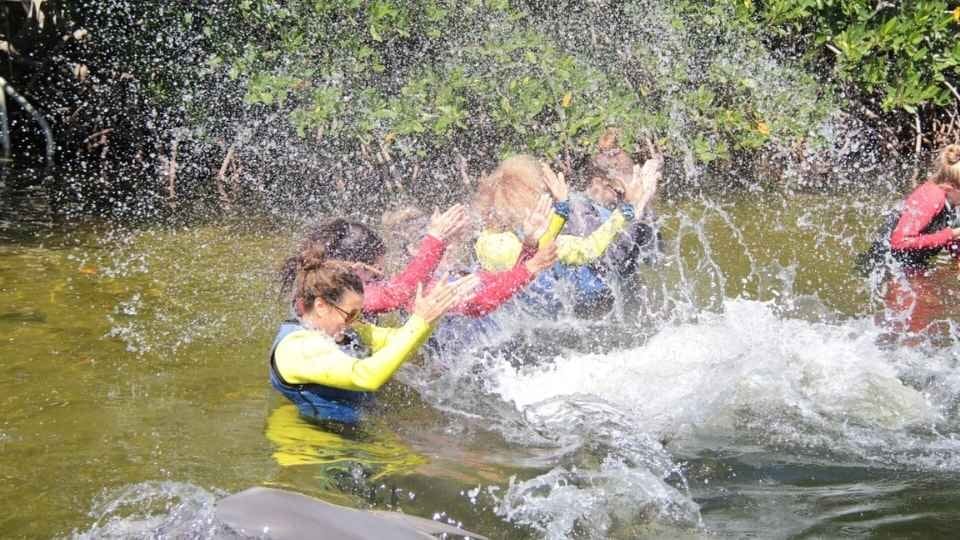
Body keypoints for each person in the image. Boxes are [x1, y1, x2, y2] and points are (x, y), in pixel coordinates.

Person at [269, 245, 479, 424]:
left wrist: (431, 315)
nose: (356, 320)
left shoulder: (344, 329)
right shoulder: (297, 347)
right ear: (321, 305)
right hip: (326, 446)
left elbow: (401, 342)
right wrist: (420, 321)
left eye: (359, 313)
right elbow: (366, 376)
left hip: (356, 432)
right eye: (350, 314)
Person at [472, 153, 657, 317]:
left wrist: (561, 208)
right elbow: (589, 250)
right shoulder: (563, 225)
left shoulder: (484, 241)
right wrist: (631, 207)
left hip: (533, 314)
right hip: (587, 305)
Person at [279, 205, 470, 316]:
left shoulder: (316, 284)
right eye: (376, 271)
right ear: (357, 268)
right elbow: (399, 293)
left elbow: (403, 288)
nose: (381, 275)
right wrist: (436, 238)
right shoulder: (338, 296)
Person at [857, 145, 960, 337]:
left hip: (911, 263)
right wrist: (951, 235)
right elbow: (900, 241)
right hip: (890, 263)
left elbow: (943, 230)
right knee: (911, 324)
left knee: (936, 305)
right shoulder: (931, 197)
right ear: (951, 186)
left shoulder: (951, 199)